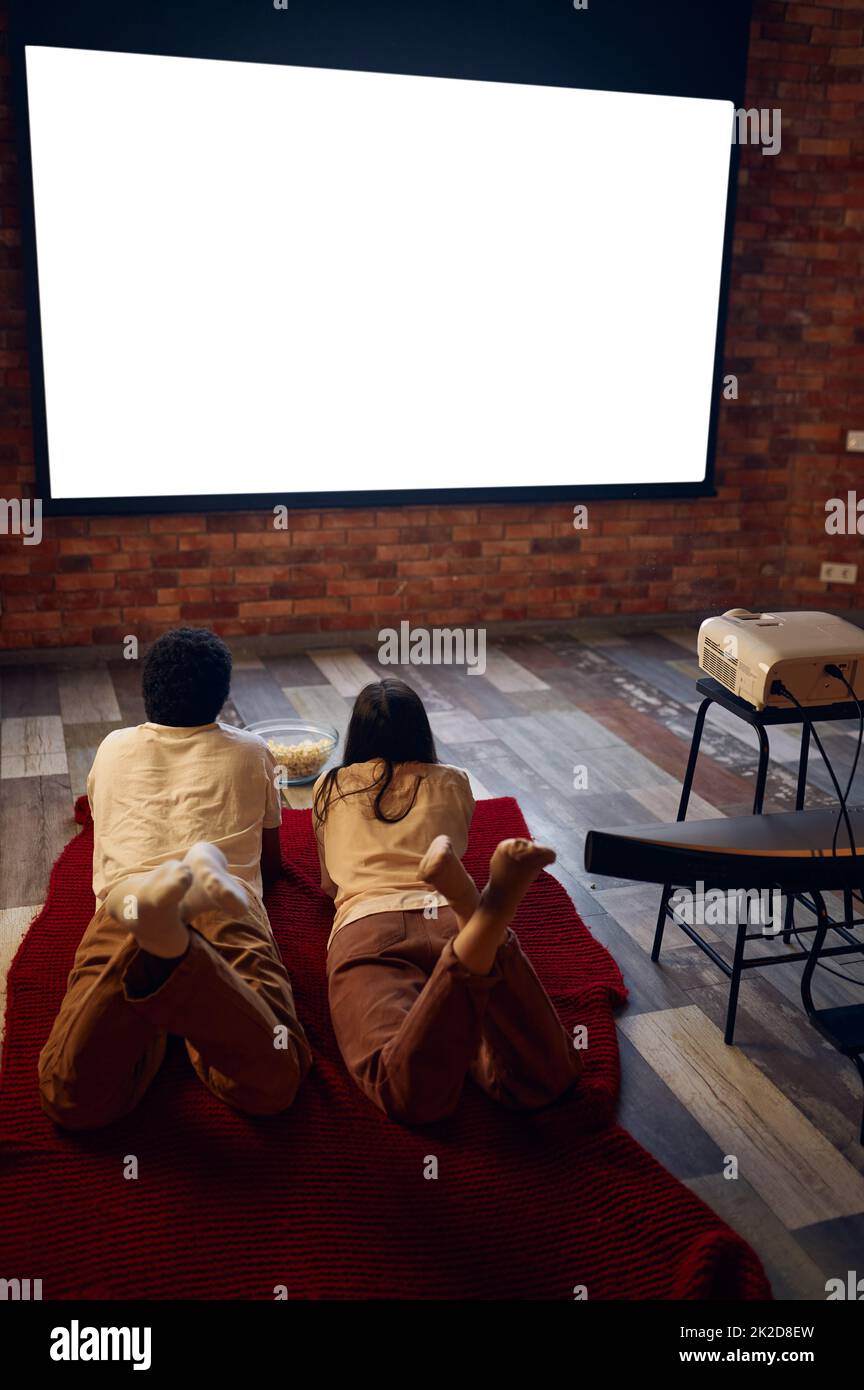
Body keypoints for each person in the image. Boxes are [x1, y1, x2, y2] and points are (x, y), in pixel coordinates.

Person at [38, 627, 311, 1130]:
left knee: (70, 1095)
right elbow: (270, 867)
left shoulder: (112, 748)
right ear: (222, 699)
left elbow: (102, 824)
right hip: (226, 903)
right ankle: (188, 967)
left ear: (147, 693)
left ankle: (161, 940)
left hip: (131, 903)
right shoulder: (254, 752)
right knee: (274, 1080)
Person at [313, 677, 581, 1124]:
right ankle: (477, 911)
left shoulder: (330, 787)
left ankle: (479, 922)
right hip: (450, 917)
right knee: (543, 1076)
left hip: (368, 927)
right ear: (422, 731)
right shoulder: (456, 782)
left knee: (400, 1087)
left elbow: (327, 885)